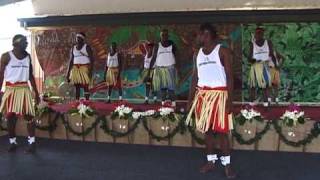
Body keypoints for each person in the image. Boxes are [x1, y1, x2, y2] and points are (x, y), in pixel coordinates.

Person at [186, 23, 236, 179]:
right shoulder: (197, 54)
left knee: (222, 132)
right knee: (207, 131)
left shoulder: (222, 51)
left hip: (219, 96)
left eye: (200, 34)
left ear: (207, 35)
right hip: (203, 96)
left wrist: (229, 100)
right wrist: (190, 100)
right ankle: (210, 162)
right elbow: (195, 77)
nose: (199, 37)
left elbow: (229, 76)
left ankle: (227, 166)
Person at [0, 34, 40, 153]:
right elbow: (1, 75)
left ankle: (32, 143)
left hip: (24, 89)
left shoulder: (27, 57)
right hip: (11, 90)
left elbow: (31, 75)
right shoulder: (6, 56)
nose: (27, 44)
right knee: (10, 117)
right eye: (25, 42)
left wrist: (36, 93)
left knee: (29, 116)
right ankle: (13, 142)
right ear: (17, 44)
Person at [149, 29, 178, 107]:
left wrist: (178, 68)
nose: (164, 37)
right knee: (163, 89)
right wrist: (149, 71)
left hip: (170, 69)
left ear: (168, 36)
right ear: (160, 36)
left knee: (171, 88)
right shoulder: (157, 46)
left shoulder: (172, 45)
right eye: (163, 35)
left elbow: (177, 56)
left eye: (166, 35)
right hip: (160, 70)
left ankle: (173, 104)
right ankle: (163, 105)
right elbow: (153, 58)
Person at [248, 27, 276, 106]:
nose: (258, 35)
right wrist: (255, 61)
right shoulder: (252, 44)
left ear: (263, 34)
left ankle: (266, 104)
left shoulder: (268, 42)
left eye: (260, 33)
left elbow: (271, 54)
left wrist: (275, 66)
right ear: (255, 35)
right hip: (255, 67)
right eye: (257, 33)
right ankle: (250, 106)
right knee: (252, 86)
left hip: (265, 66)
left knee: (266, 86)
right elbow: (249, 58)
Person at [66, 32, 94, 100]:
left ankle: (87, 102)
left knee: (85, 86)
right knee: (77, 86)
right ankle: (77, 102)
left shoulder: (87, 47)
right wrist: (68, 72)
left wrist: (90, 71)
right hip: (75, 69)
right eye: (77, 38)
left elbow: (92, 60)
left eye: (79, 38)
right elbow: (71, 61)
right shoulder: (73, 48)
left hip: (84, 68)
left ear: (82, 39)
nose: (77, 39)